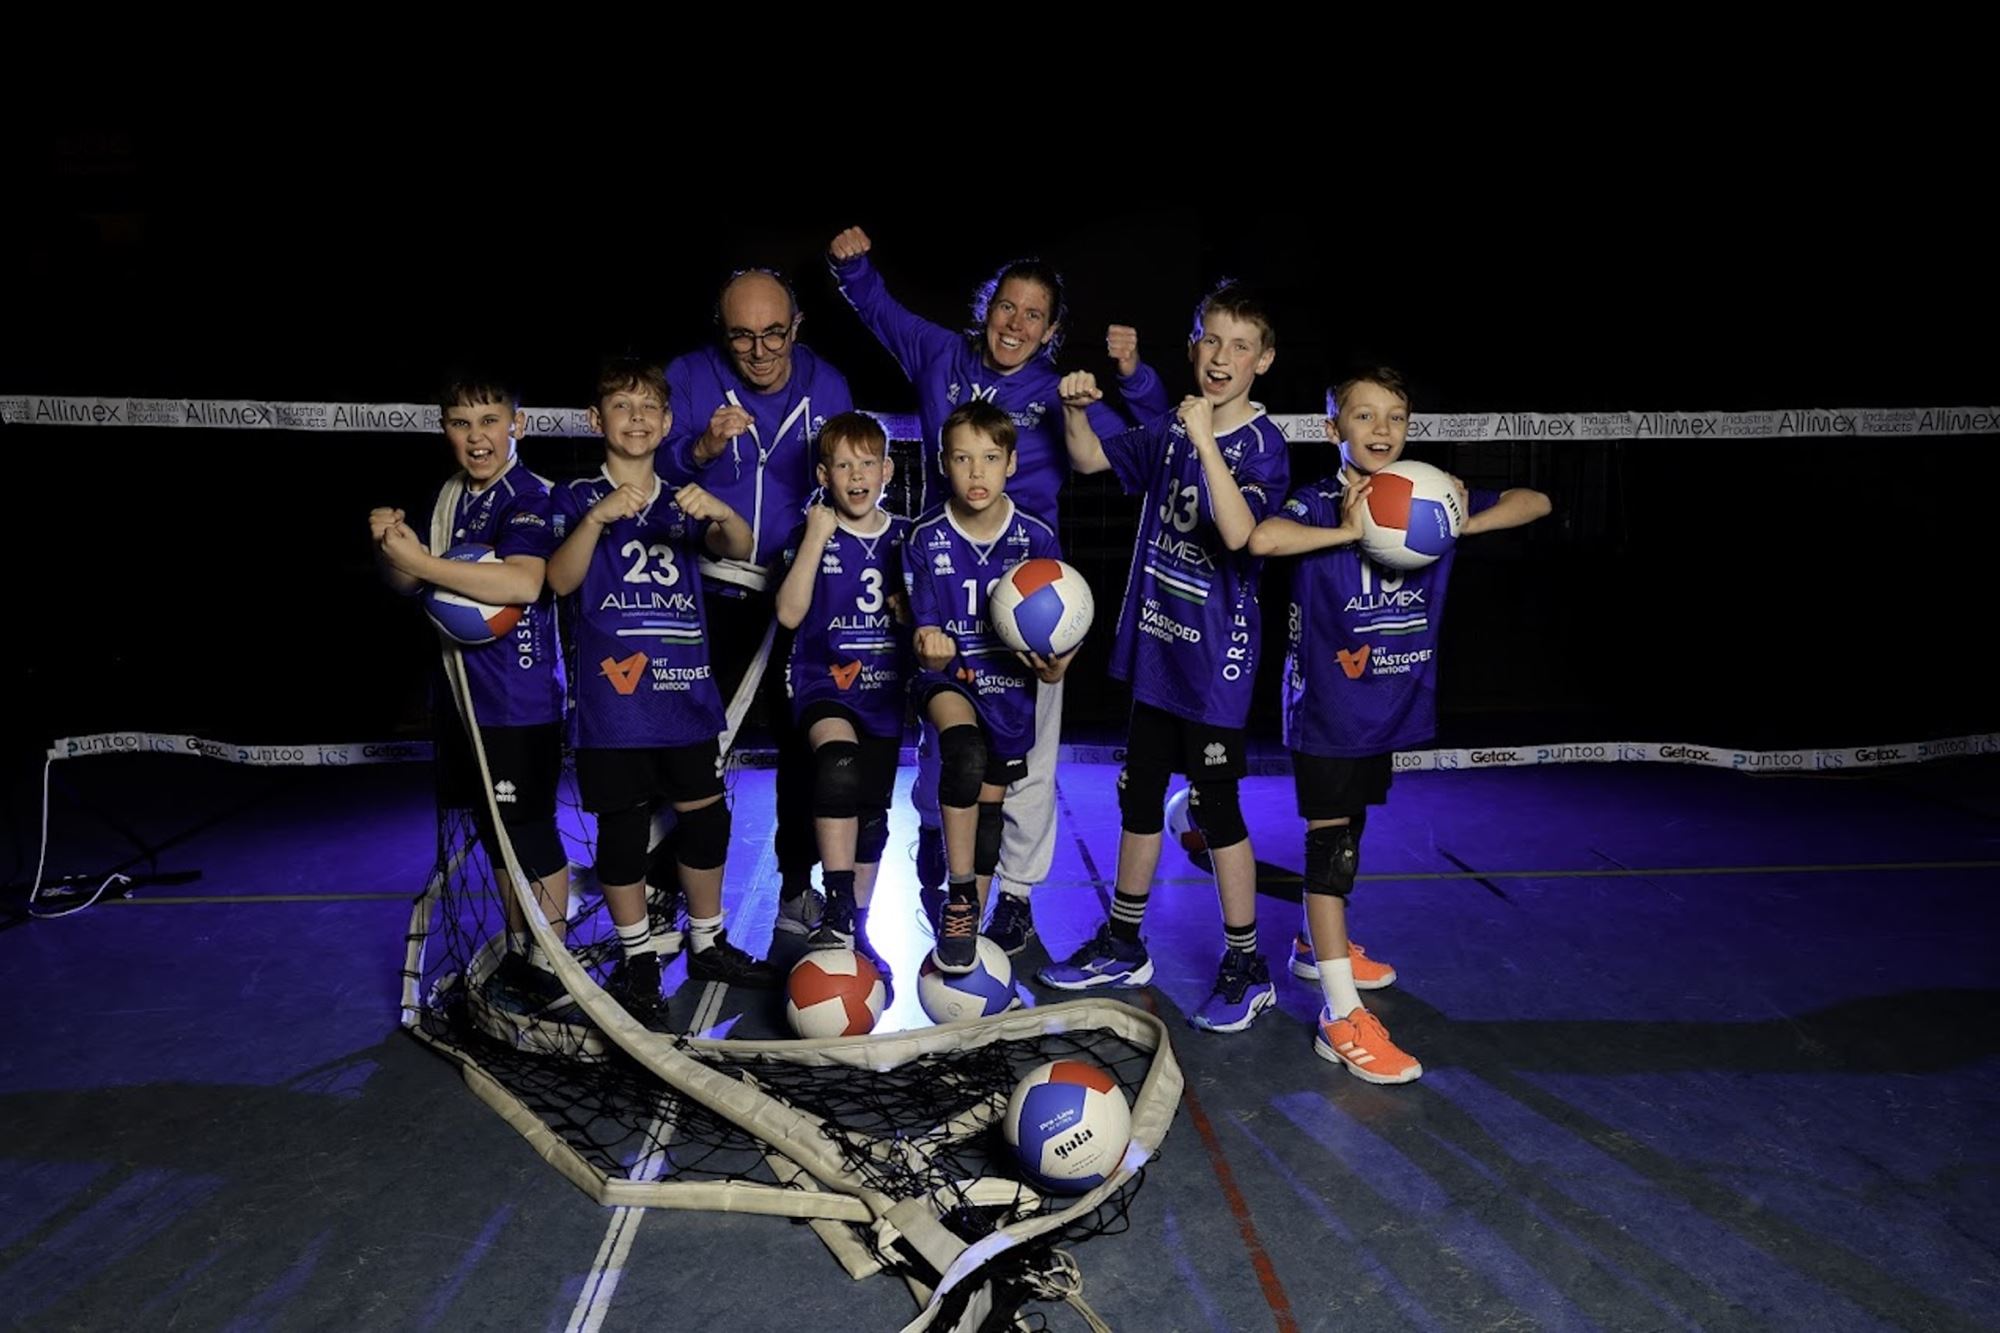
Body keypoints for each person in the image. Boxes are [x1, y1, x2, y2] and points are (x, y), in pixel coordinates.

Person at [828, 226, 1167, 952]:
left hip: (1028, 592)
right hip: (943, 578)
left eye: (1033, 315)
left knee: (1030, 761)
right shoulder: (941, 355)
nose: (1016, 323)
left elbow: (1148, 445)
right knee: (944, 742)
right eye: (1006, 307)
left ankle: (1014, 896)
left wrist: (1132, 375)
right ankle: (939, 850)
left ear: (1051, 330)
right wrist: (851, 266)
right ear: (987, 308)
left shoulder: (1056, 393)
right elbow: (880, 310)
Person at [1248, 367, 1552, 1081]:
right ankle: (1339, 1017)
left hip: (1386, 704)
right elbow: (1263, 539)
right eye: (1363, 416)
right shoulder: (1320, 500)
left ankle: (1314, 944)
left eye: (1395, 417)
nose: (1381, 429)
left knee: (1348, 835)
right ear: (1333, 429)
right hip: (1327, 706)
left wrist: (1460, 519)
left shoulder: (1427, 491)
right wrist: (1348, 529)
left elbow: (1535, 501)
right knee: (1330, 852)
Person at [1036, 284, 1288, 1035]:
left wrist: (1205, 439)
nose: (1222, 356)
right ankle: (1123, 941)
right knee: (1139, 796)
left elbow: (1240, 533)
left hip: (1214, 664)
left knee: (1215, 807)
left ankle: (1246, 964)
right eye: (1211, 340)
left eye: (1240, 345)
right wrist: (1075, 408)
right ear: (1192, 346)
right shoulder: (1174, 425)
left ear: (1263, 361)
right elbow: (1089, 458)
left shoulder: (1262, 446)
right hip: (1155, 646)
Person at [547, 358, 779, 1028]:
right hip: (613, 704)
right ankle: (639, 957)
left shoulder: (680, 495)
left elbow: (739, 544)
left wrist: (721, 510)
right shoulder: (575, 496)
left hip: (683, 693)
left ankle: (707, 942)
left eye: (649, 406)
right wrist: (596, 519)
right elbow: (558, 582)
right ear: (596, 420)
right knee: (622, 830)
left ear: (668, 420)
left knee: (706, 820)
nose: (637, 418)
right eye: (622, 406)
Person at [658, 268, 856, 937]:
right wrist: (703, 447)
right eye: (742, 336)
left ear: (797, 326)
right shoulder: (689, 376)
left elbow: (848, 481)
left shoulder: (829, 385)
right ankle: (664, 888)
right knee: (688, 750)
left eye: (774, 333)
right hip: (705, 590)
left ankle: (797, 891)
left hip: (795, 594)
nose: (761, 350)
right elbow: (650, 471)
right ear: (723, 332)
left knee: (801, 750)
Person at [371, 373, 572, 1015]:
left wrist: (421, 563)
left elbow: (521, 584)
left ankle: (551, 966)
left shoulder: (530, 496)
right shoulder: (451, 497)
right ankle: (522, 950)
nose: (476, 437)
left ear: (519, 425)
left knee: (528, 832)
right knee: (497, 834)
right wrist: (393, 550)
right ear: (446, 431)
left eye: (490, 421)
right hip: (464, 700)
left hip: (520, 701)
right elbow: (413, 588)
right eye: (461, 423)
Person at [904, 401, 1071, 971]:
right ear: (943, 464)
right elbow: (923, 627)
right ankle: (958, 896)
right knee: (963, 754)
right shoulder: (925, 536)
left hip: (1011, 688)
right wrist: (927, 643)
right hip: (949, 679)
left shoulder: (1037, 537)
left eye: (990, 459)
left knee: (991, 811)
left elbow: (1067, 617)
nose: (976, 472)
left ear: (1012, 464)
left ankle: (968, 920)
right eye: (962, 459)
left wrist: (1057, 664)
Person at [772, 411, 911, 986]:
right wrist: (815, 537)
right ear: (824, 475)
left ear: (887, 470)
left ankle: (857, 924)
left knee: (872, 814)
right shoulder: (809, 533)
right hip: (822, 683)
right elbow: (788, 614)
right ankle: (833, 908)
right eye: (844, 465)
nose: (857, 476)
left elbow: (926, 617)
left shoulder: (908, 536)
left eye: (867, 463)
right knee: (837, 765)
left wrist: (911, 611)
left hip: (884, 692)